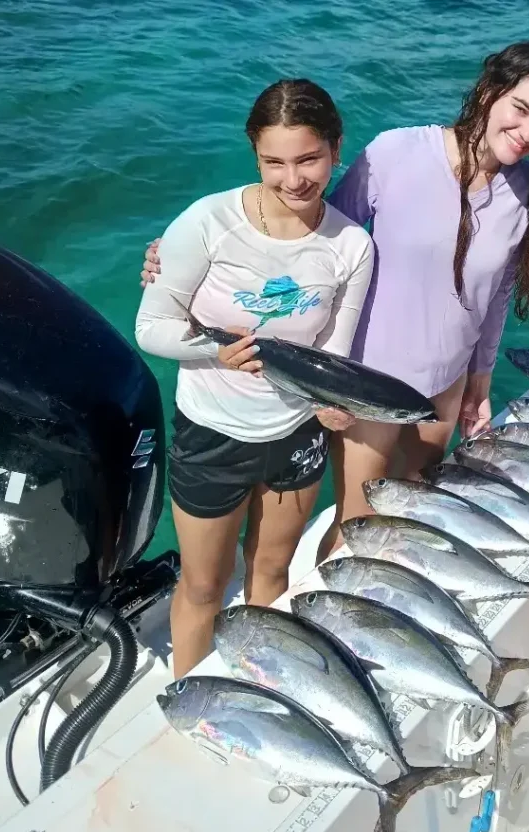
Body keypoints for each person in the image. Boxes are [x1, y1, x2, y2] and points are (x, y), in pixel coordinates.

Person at [139, 41, 529, 559]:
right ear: (488, 91)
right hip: (368, 381)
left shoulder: (527, 189)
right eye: (521, 110)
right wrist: (191, 256)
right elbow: (310, 232)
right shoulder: (396, 153)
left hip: (446, 386)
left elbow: (496, 295)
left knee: (414, 502)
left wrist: (478, 383)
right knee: (357, 525)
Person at [134, 79, 374, 678]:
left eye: (309, 159)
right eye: (274, 162)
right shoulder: (208, 222)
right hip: (213, 435)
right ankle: (190, 696)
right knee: (204, 587)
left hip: (295, 438)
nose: (293, 179)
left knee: (271, 573)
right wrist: (214, 356)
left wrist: (334, 407)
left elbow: (333, 356)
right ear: (256, 156)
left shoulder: (352, 245)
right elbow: (152, 327)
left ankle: (255, 687)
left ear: (336, 148)